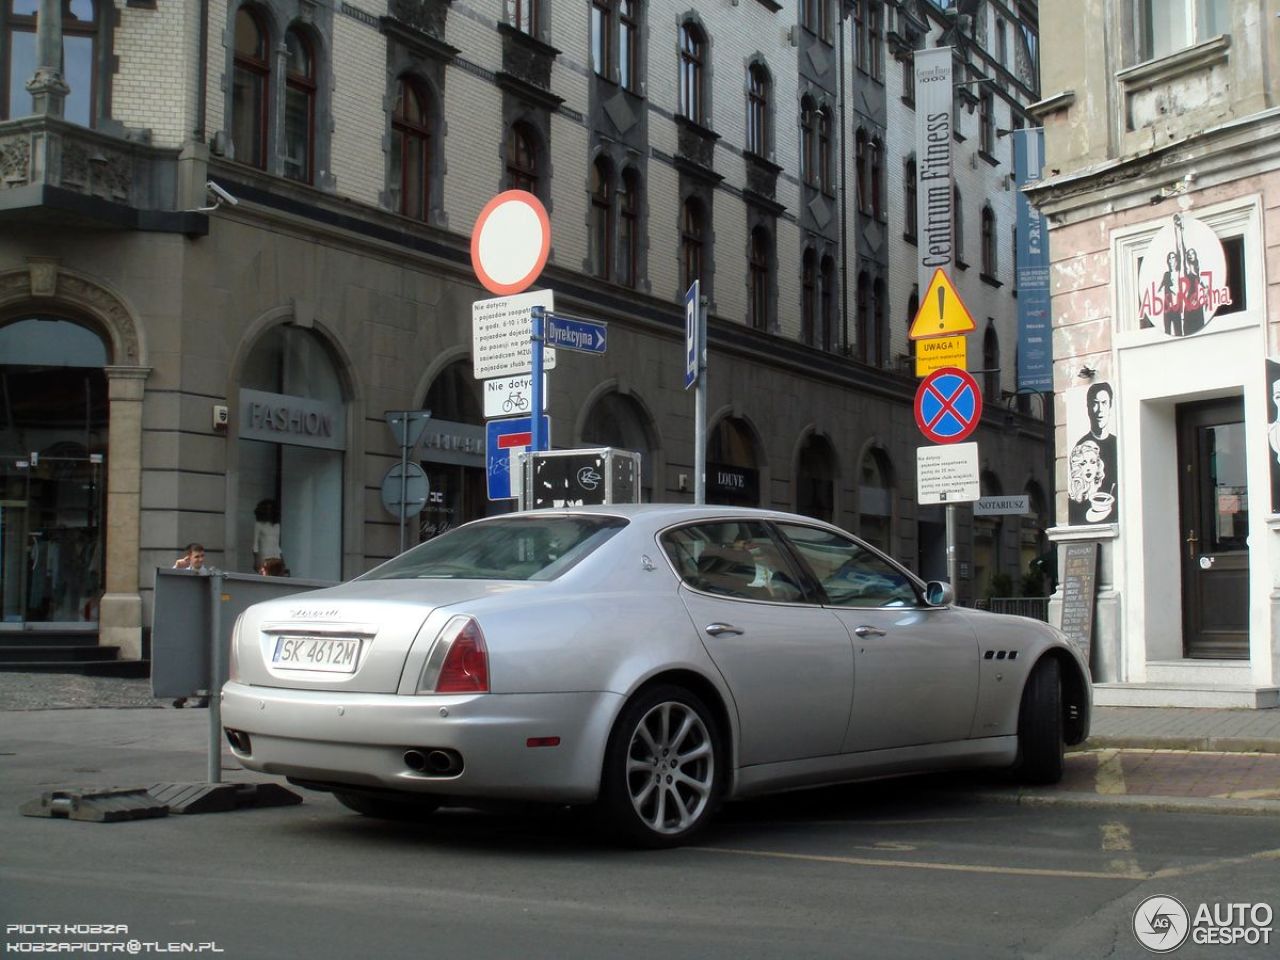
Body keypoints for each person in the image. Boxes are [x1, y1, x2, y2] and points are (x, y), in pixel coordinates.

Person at [1067, 382, 1118, 525]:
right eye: (1095, 403)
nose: (1099, 410)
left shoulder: (1117, 443)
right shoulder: (1081, 447)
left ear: (1110, 406)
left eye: (1104, 403)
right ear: (1088, 408)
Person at [172, 542, 209, 708]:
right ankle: (182, 694)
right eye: (197, 556)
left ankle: (205, 696)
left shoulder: (207, 574)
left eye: (202, 556)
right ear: (189, 557)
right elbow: (170, 586)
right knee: (184, 660)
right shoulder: (182, 572)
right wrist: (177, 567)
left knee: (203, 660)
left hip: (202, 623)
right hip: (185, 623)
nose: (200, 559)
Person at [252, 499, 283, 574]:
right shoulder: (259, 525)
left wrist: (282, 558)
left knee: (277, 578)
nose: (269, 512)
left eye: (271, 510)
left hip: (276, 557)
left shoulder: (277, 526)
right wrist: (256, 560)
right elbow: (255, 545)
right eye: (267, 509)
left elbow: (277, 544)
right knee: (265, 577)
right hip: (265, 557)